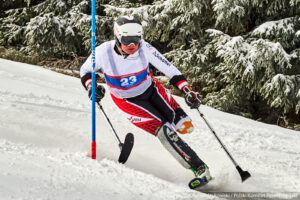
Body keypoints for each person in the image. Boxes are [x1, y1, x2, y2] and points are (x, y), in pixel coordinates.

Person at [80, 15, 212, 182]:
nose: (132, 45)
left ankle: (179, 130)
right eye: (127, 40)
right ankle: (199, 167)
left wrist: (187, 91)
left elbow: (170, 70)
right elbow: (84, 72)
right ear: (118, 37)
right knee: (165, 131)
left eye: (136, 39)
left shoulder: (145, 48)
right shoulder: (102, 52)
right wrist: (91, 87)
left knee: (185, 126)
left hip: (151, 90)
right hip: (127, 101)